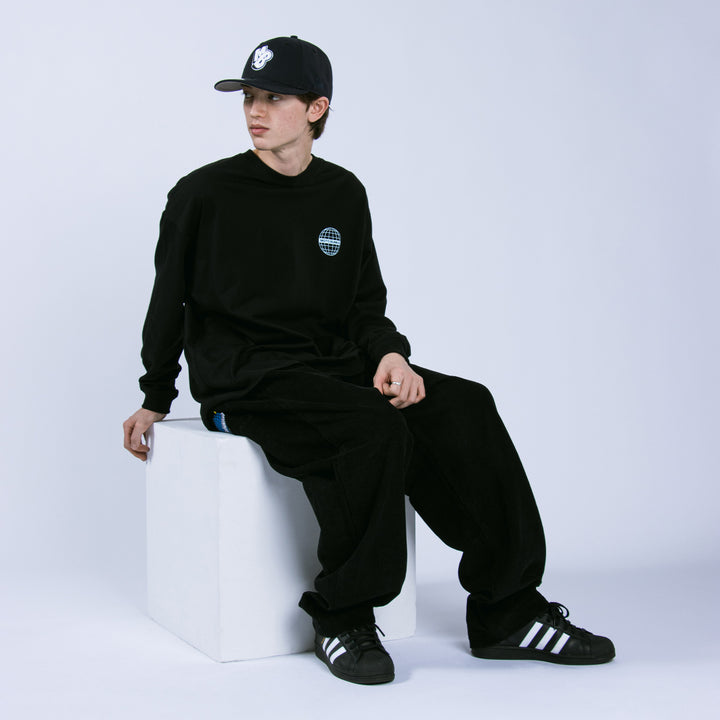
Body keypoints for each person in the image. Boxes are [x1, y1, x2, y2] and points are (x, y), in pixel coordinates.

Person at [123, 35, 615, 685]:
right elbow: (168, 300)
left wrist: (389, 354)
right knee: (369, 426)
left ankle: (508, 609)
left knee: (465, 404)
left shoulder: (342, 193)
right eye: (248, 97)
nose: (255, 111)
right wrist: (156, 396)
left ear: (317, 109)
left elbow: (363, 304)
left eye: (274, 98)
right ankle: (343, 613)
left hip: (332, 365)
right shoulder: (202, 194)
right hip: (248, 377)